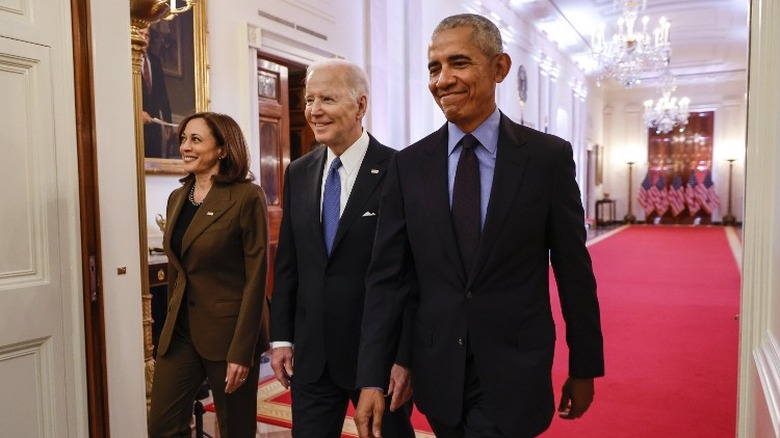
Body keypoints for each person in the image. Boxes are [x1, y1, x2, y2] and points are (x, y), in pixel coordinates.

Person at [354, 13, 604, 438]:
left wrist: (584, 366)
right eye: (434, 68)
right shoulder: (407, 167)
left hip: (515, 369)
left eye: (459, 63)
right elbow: (388, 280)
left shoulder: (546, 159)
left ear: (499, 67)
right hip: (439, 373)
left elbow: (573, 271)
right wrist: (372, 375)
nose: (443, 79)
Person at [269, 59, 415, 438]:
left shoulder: (401, 170)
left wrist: (404, 358)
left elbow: (414, 275)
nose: (314, 110)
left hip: (377, 359)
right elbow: (289, 262)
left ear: (360, 105)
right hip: (312, 357)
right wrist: (282, 337)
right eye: (310, 99)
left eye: (328, 99)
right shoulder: (298, 172)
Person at [148, 112, 270, 438]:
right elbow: (177, 270)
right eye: (183, 139)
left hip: (229, 335)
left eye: (196, 140)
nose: (185, 147)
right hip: (180, 334)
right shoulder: (178, 197)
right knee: (162, 426)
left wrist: (242, 351)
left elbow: (256, 278)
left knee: (235, 430)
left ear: (222, 149)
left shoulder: (247, 197)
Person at [139, 26, 174, 158]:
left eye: (147, 36)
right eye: (140, 34)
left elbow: (162, 94)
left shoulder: (155, 61)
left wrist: (167, 122)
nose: (144, 38)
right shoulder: (126, 60)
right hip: (135, 124)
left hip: (154, 124)